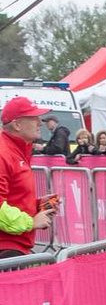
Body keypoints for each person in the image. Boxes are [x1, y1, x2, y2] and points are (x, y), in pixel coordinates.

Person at [1, 97, 57, 259]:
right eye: (34, 118)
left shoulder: (18, 150)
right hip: (7, 248)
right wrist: (31, 222)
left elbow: (12, 198)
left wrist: (36, 205)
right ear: (17, 125)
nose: (40, 122)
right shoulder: (4, 153)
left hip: (14, 246)